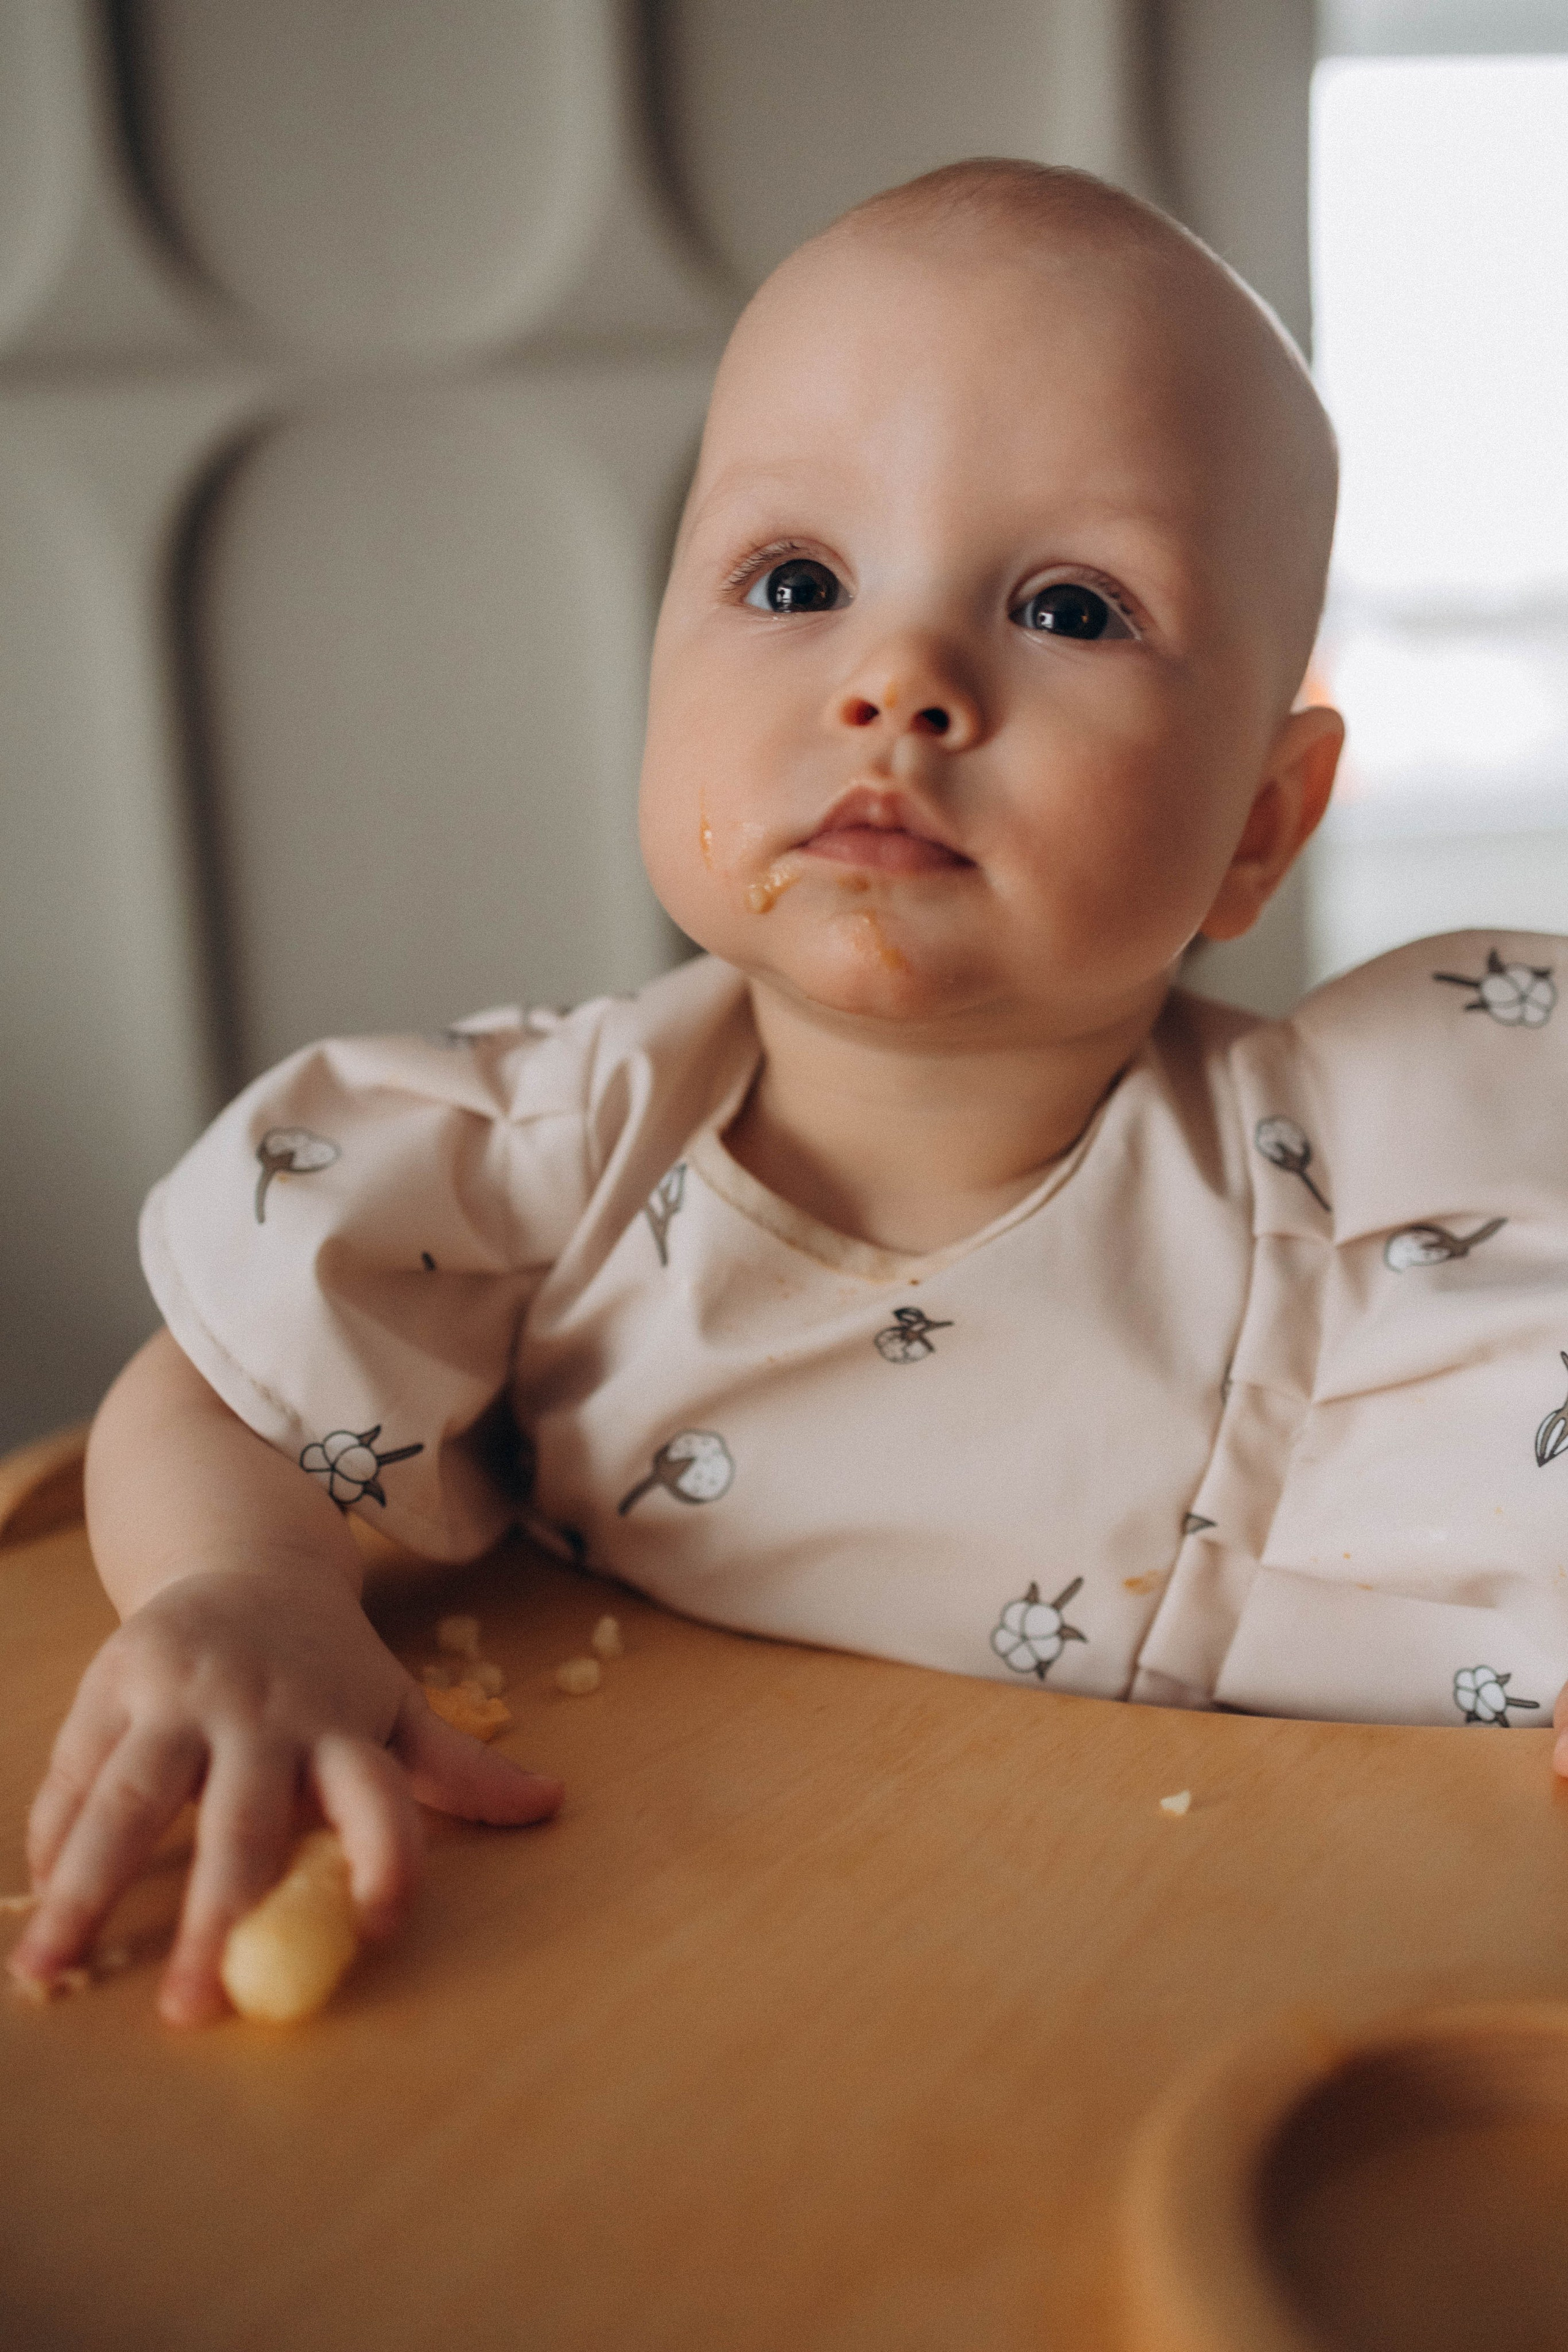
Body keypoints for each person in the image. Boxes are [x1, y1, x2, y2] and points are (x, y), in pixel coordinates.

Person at [13, 160, 1568, 2024]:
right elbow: (225, 1387)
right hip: (692, 1998)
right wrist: (239, 1597)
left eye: (1069, 610)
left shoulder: (1398, 1183)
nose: (898, 680)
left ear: (1258, 827)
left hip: (1262, 1996)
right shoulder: (546, 1160)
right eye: (797, 581)